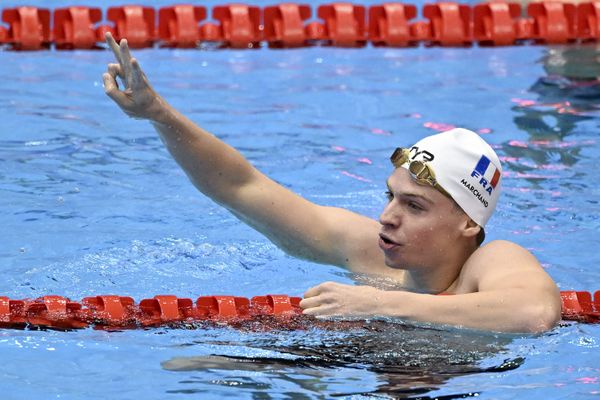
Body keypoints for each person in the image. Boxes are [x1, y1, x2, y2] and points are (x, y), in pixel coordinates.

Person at [102, 33, 561, 333]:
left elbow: (535, 314)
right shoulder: (365, 250)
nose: (387, 217)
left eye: (415, 206)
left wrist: (381, 304)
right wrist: (158, 115)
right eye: (391, 196)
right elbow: (241, 188)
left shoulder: (492, 264)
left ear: (466, 223)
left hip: (451, 382)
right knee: (195, 367)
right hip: (354, 366)